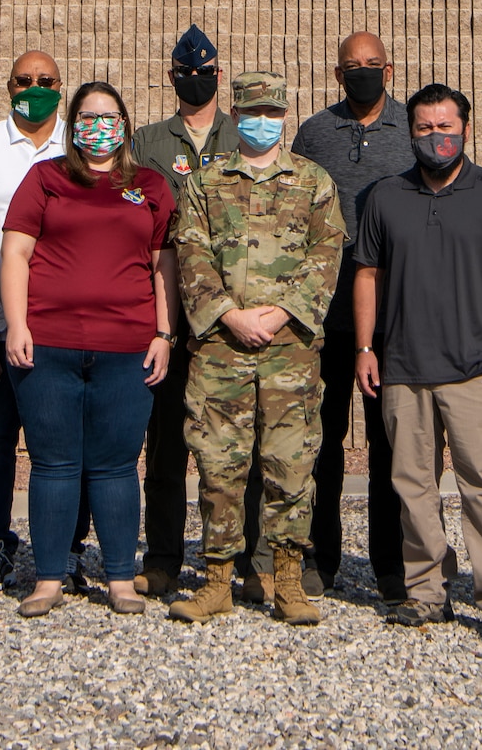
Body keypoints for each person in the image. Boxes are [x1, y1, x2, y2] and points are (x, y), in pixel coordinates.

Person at [353, 83, 482, 647]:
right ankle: (427, 593)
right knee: (412, 489)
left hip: (476, 371)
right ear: (410, 133)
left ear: (466, 129)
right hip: (403, 368)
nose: (437, 137)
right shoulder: (384, 196)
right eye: (425, 128)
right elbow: (367, 275)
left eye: (446, 127)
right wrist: (365, 347)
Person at [167, 72, 346, 625]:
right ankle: (217, 580)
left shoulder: (314, 181)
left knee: (290, 466)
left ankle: (287, 580)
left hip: (290, 350)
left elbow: (327, 253)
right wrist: (230, 315)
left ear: (285, 115)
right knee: (219, 466)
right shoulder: (206, 182)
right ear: (237, 113)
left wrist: (281, 312)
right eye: (253, 112)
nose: (263, 122)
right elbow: (190, 253)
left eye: (273, 112)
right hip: (222, 350)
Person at [0, 82, 177, 617]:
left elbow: (163, 264)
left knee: (117, 466)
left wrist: (165, 334)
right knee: (53, 464)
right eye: (87, 116)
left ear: (124, 124)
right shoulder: (45, 178)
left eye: (109, 116)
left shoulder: (149, 185)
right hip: (49, 344)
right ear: (72, 124)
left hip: (127, 348)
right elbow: (15, 253)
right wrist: (15, 324)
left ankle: (121, 577)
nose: (98, 125)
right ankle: (49, 578)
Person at [289, 30, 413, 599]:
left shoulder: (415, 128)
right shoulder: (314, 133)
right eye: (350, 66)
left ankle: (393, 564)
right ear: (338, 75)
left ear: (388, 70)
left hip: (397, 317)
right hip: (325, 317)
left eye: (372, 64)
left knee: (394, 445)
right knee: (323, 442)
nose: (362, 73)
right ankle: (322, 555)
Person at [0, 50, 92, 594]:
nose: (34, 88)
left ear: (61, 87)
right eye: (24, 81)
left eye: (45, 81)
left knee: (72, 443)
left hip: (68, 320)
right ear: (7, 86)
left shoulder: (81, 146)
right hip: (2, 320)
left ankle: (67, 546)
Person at [131, 24, 244, 597]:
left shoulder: (245, 136)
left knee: (235, 443)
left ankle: (244, 561)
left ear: (219, 76)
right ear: (172, 78)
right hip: (171, 316)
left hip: (231, 314)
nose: (195, 82)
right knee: (168, 445)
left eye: (204, 73)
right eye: (184, 74)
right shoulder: (147, 143)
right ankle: (164, 558)